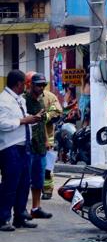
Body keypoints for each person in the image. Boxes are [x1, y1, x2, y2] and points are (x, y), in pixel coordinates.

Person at [0, 70, 42, 231]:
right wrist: (24, 120)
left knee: (24, 183)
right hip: (9, 147)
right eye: (25, 83)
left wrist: (33, 119)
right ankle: (3, 218)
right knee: (10, 184)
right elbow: (3, 123)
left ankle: (20, 216)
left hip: (24, 145)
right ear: (18, 84)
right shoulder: (3, 100)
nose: (27, 86)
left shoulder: (20, 100)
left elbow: (20, 121)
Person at [23, 73, 53, 220]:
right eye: (38, 85)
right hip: (28, 146)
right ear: (30, 85)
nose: (41, 88)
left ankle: (36, 208)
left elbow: (42, 123)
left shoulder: (41, 101)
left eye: (43, 85)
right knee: (24, 180)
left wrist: (47, 140)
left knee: (38, 180)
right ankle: (20, 210)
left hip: (41, 146)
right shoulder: (24, 101)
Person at [41, 82, 62, 197]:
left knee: (47, 166)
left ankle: (47, 190)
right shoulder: (23, 97)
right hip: (28, 137)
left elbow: (58, 110)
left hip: (47, 137)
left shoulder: (50, 97)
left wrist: (47, 116)